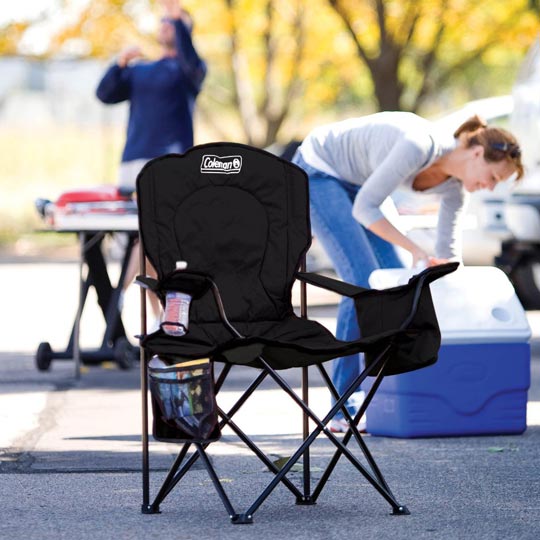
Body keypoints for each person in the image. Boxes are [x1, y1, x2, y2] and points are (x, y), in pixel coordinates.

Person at [292, 111, 524, 432]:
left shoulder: (455, 191)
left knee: (395, 285)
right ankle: (341, 406)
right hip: (321, 169)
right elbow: (365, 208)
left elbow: (447, 261)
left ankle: (379, 394)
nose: (488, 187)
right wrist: (415, 248)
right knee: (362, 283)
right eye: (493, 177)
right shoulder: (418, 145)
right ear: (476, 152)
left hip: (360, 182)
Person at [95, 0, 207, 324]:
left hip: (168, 164)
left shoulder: (188, 71)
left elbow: (193, 63)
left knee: (152, 239)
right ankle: (160, 318)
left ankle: (125, 303)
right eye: (164, 21)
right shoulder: (141, 70)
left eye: (174, 23)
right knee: (146, 240)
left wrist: (180, 19)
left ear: (185, 31)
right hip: (133, 163)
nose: (167, 24)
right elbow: (104, 94)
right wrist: (119, 64)